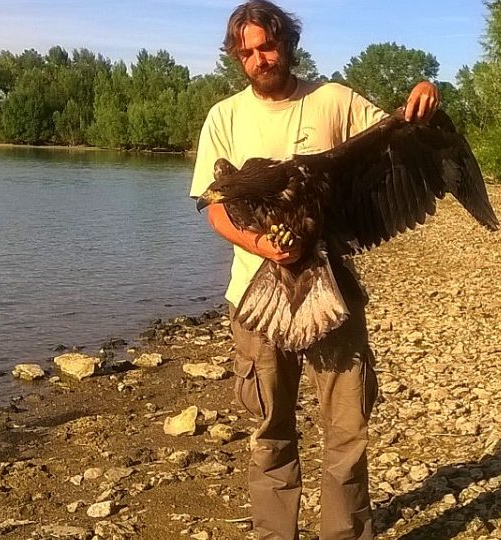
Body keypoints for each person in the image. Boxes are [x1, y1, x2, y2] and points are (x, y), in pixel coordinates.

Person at [189, 2, 439, 538]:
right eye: (248, 51)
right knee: (270, 430)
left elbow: (398, 137)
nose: (260, 58)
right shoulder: (224, 117)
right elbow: (212, 208)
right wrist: (263, 244)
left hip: (330, 284)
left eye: (268, 45)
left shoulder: (333, 100)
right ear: (237, 56)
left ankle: (344, 534)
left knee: (347, 429)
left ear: (287, 44)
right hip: (256, 292)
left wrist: (423, 93)